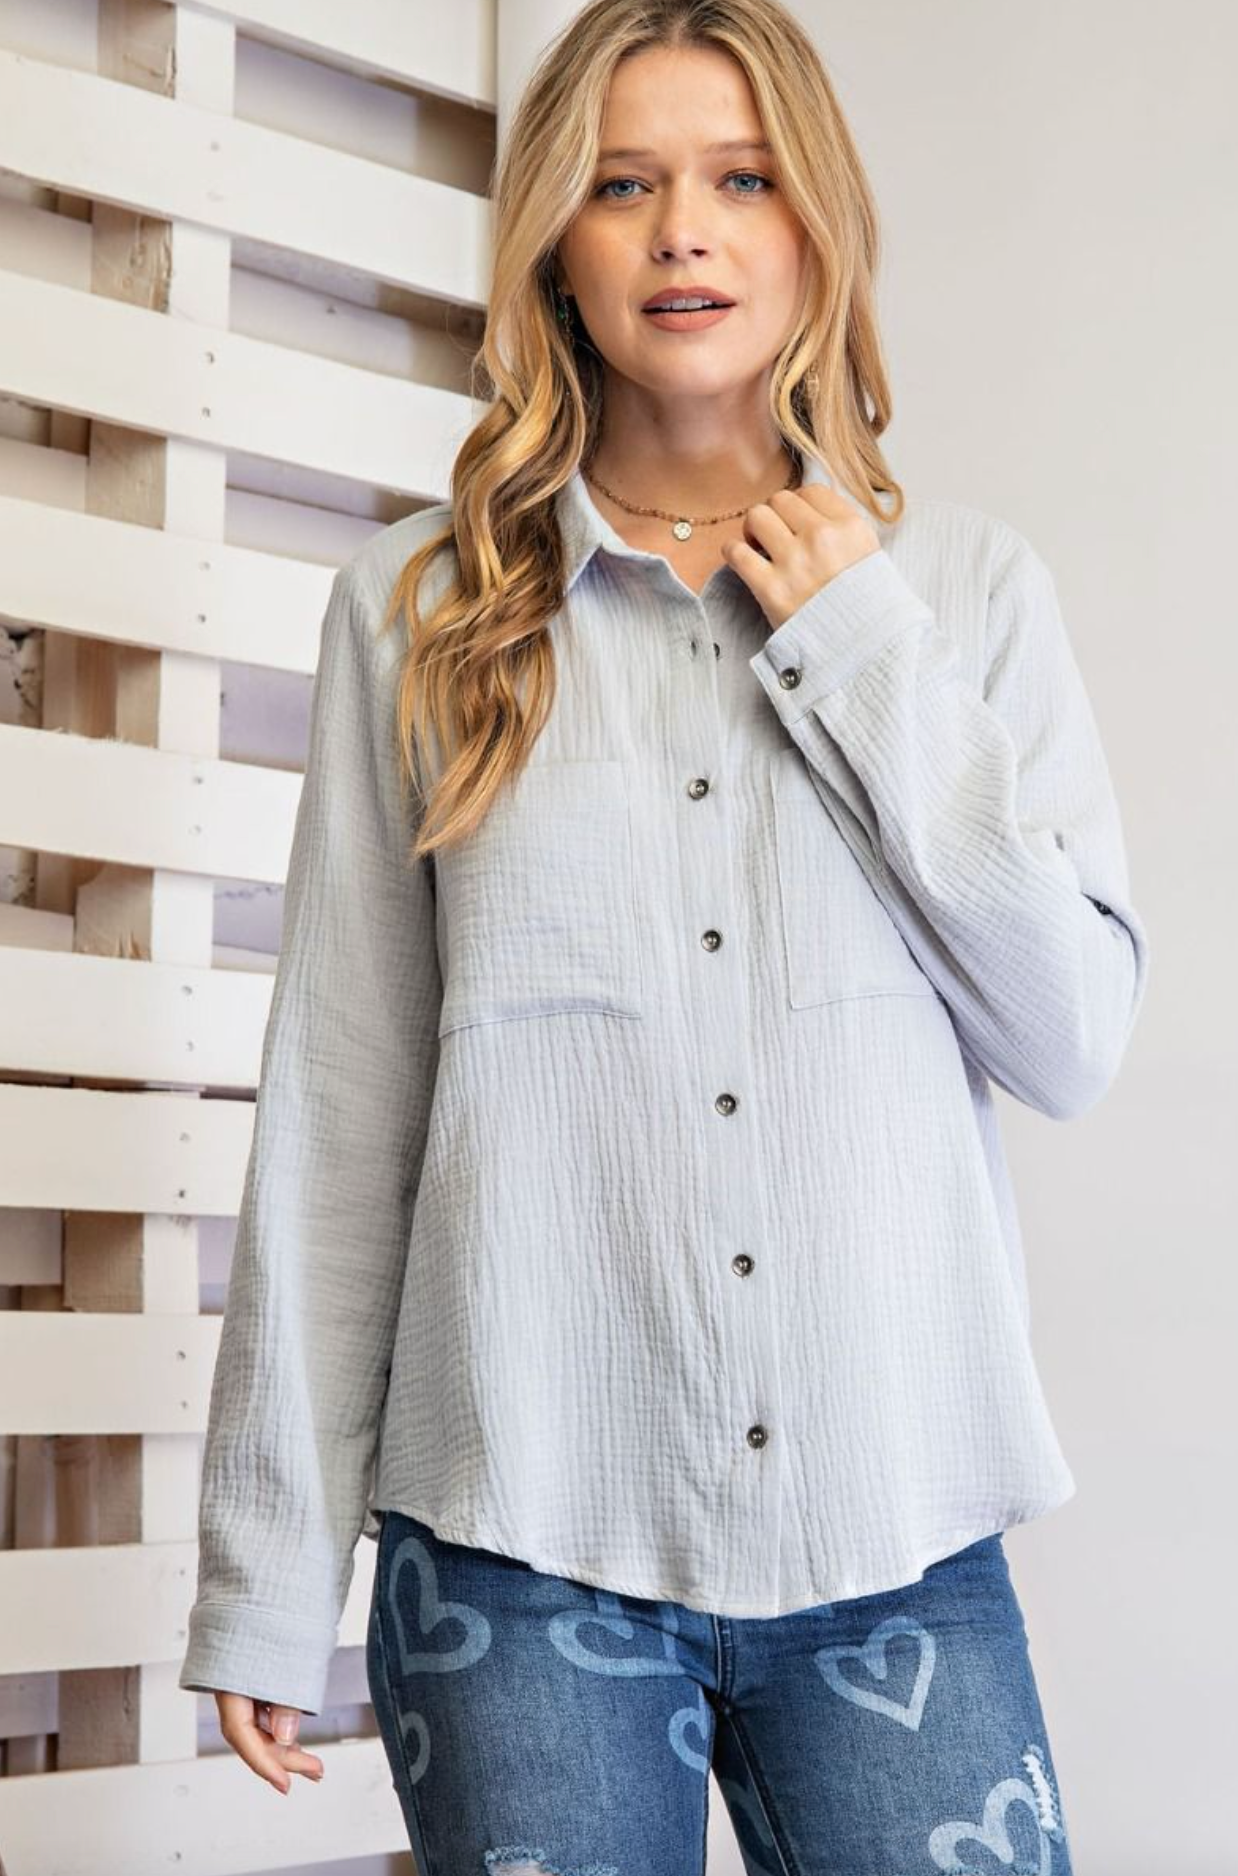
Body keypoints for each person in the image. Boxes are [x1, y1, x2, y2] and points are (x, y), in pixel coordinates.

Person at [179, 2, 1150, 1870]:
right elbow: (342, 1108)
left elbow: (1070, 1035)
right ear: (555, 237)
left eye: (740, 180)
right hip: (517, 1539)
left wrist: (859, 652)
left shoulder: (961, 599)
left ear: (817, 225)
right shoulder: (415, 612)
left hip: (895, 1529)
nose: (682, 231)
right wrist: (267, 1574)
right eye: (623, 184)